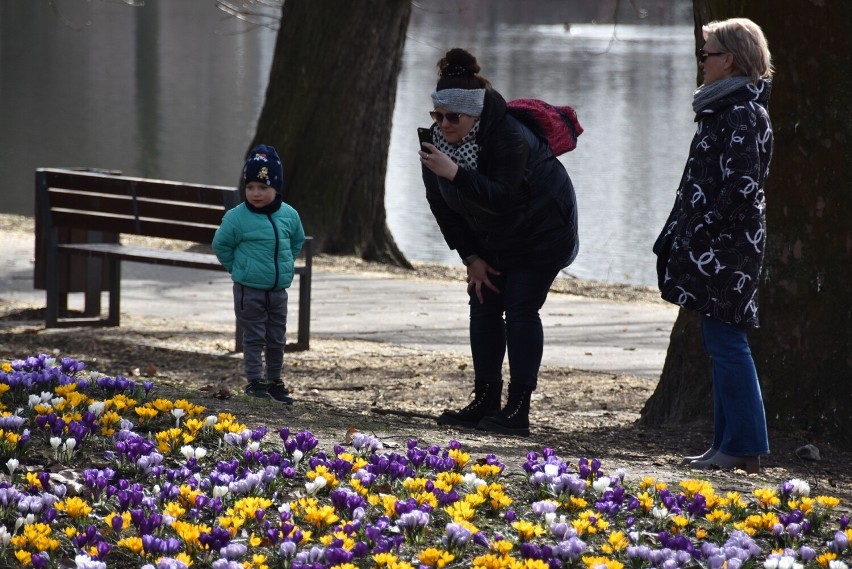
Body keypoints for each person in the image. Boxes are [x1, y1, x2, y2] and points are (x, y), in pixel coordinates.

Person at [420, 48, 579, 437]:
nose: (443, 124)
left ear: (474, 114)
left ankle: (518, 408)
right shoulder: (435, 145)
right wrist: (471, 256)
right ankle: (485, 398)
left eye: (452, 117)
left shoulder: (508, 135)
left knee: (521, 309)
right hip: (493, 236)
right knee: (484, 299)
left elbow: (503, 196)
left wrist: (454, 172)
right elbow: (442, 207)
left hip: (544, 231)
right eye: (437, 116)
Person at [653, 18, 774, 474]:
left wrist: (702, 230)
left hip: (729, 249)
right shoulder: (725, 108)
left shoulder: (742, 113)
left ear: (732, 60)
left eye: (707, 54)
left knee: (727, 341)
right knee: (719, 339)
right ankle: (727, 442)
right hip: (718, 244)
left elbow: (741, 187)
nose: (701, 61)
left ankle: (742, 444)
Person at [213, 144, 305, 403]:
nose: (255, 193)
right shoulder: (237, 218)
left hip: (277, 291)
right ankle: (256, 381)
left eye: (263, 188)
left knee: (277, 338)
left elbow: (296, 241)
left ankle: (275, 380)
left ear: (276, 188)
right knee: (253, 338)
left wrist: (285, 261)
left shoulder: (289, 215)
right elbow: (221, 245)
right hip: (249, 290)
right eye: (250, 187)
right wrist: (238, 268)